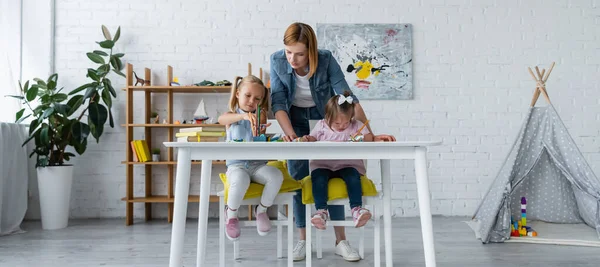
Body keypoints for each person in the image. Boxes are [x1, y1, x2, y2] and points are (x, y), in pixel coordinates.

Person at [269, 22, 396, 262]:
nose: (292, 59)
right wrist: (292, 137)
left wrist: (368, 133)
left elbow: (346, 96)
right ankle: (303, 240)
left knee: (335, 166)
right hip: (293, 116)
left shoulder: (325, 59)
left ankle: (341, 240)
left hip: (328, 114)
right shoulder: (277, 61)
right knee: (298, 176)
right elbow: (277, 102)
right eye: (288, 52)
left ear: (312, 51)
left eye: (299, 54)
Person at [217, 75, 282, 241]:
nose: (252, 101)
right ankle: (231, 214)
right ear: (238, 93)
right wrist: (243, 116)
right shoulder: (230, 117)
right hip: (237, 166)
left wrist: (262, 129)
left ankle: (261, 211)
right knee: (240, 180)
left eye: (257, 98)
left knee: (276, 176)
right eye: (248, 95)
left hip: (257, 165)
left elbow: (260, 135)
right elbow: (221, 119)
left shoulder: (261, 115)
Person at [300, 92, 374, 232]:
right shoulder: (321, 125)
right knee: (318, 179)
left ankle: (356, 209)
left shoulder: (355, 125)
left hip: (348, 164)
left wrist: (362, 137)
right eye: (337, 123)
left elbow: (369, 138)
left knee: (353, 177)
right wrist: (308, 139)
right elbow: (312, 139)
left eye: (346, 122)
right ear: (328, 117)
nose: (342, 126)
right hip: (323, 165)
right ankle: (321, 211)